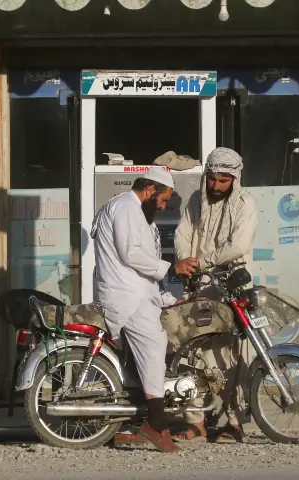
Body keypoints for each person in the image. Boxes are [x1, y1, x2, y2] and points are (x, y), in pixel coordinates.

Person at [90, 168, 199, 453]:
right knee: (153, 348)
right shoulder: (125, 207)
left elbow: (143, 260)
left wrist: (166, 294)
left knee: (152, 351)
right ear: (150, 190)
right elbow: (131, 254)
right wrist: (171, 268)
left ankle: (142, 422)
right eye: (162, 200)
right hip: (127, 297)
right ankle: (156, 424)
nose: (163, 207)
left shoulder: (136, 212)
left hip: (138, 294)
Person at [172, 147, 259, 444]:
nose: (217, 186)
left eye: (224, 180)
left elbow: (238, 246)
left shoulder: (245, 204)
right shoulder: (197, 200)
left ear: (234, 178)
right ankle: (195, 421)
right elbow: (182, 234)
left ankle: (233, 422)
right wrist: (187, 260)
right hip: (198, 286)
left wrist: (205, 261)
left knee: (227, 357)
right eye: (213, 178)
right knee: (192, 354)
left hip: (229, 287)